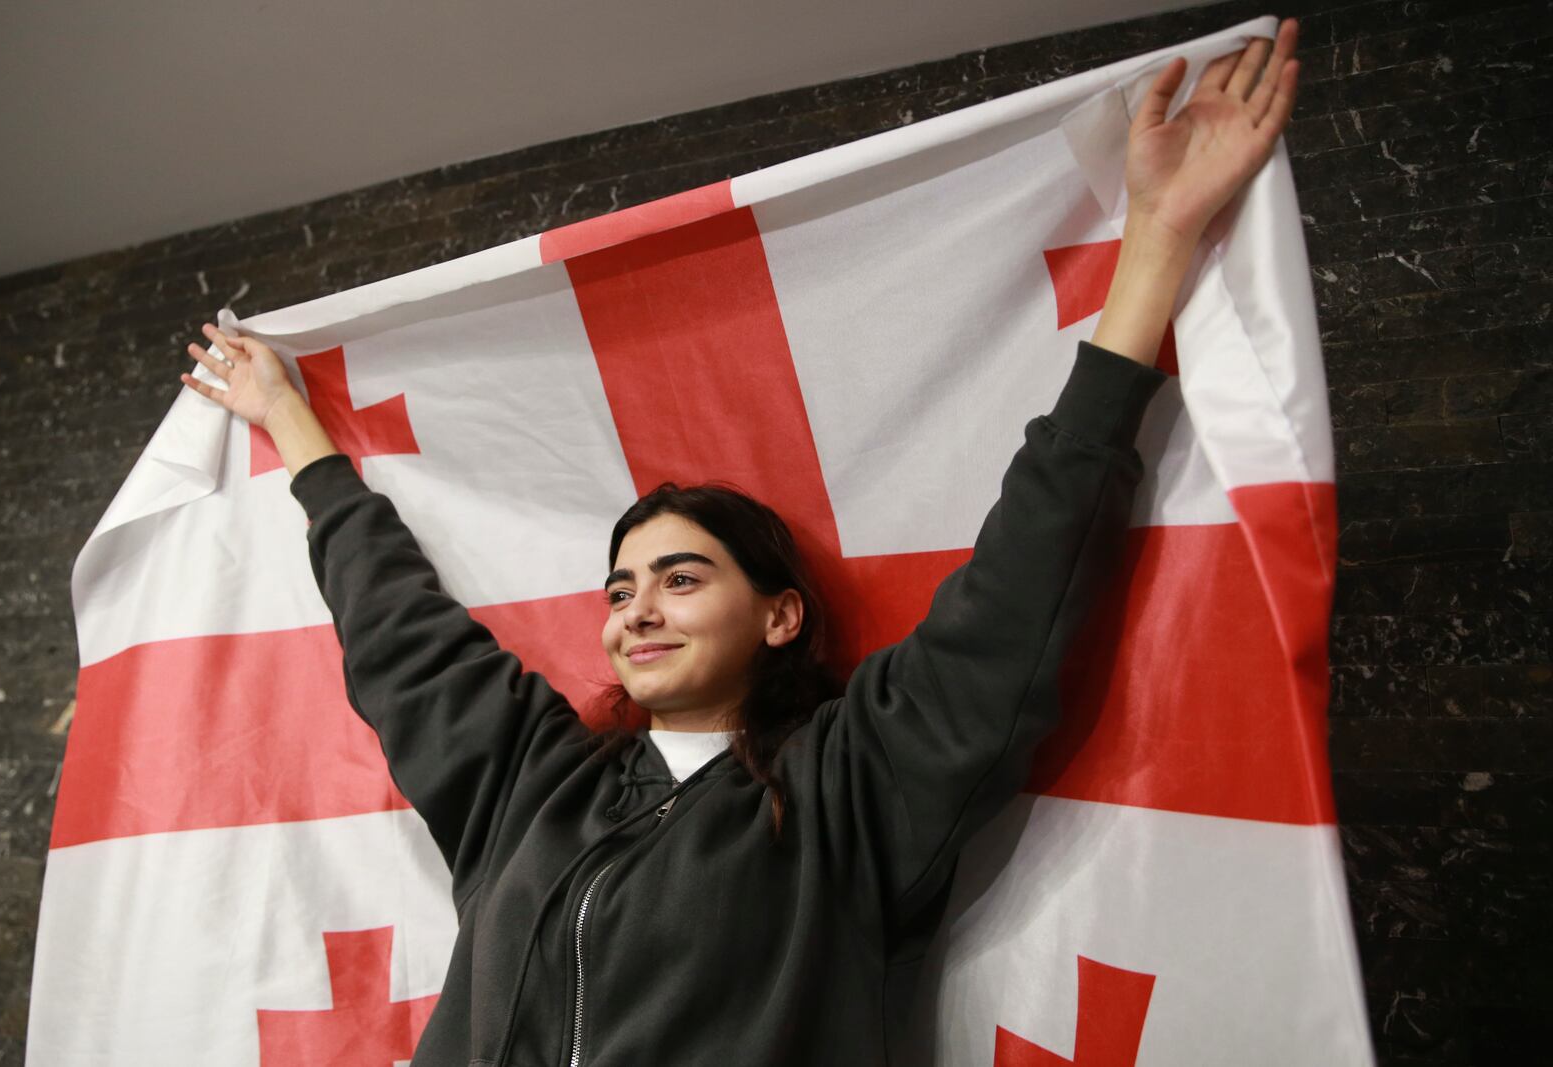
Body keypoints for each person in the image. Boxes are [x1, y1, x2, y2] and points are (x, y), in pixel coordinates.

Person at [180, 23, 1299, 1066]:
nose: (635, 610)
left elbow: (1023, 578)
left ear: (780, 613)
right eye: (619, 589)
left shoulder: (851, 788)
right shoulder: (528, 781)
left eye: (681, 575)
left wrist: (1155, 238)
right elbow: (399, 635)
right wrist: (294, 426)